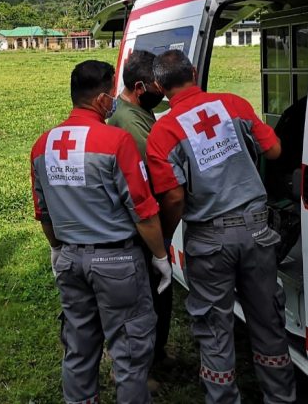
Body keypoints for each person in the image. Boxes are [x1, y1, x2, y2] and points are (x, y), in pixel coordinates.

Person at [145, 50, 295, 404]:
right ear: (194, 71)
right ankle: (281, 397)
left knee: (214, 330)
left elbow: (174, 198)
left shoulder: (163, 132)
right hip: (257, 231)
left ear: (159, 87)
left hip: (209, 239)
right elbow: (274, 151)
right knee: (268, 321)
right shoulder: (234, 104)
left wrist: (164, 238)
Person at [30, 60, 172, 404]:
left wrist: (56, 249)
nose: (114, 101)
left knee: (78, 346)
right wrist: (160, 256)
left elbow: (43, 213)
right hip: (117, 263)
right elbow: (143, 209)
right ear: (100, 99)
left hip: (69, 260)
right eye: (111, 94)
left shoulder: (42, 145)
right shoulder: (116, 141)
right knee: (130, 353)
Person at [107, 50, 174, 373]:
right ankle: (147, 364)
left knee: (158, 295)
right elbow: (159, 176)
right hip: (142, 226)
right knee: (151, 297)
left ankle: (155, 356)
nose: (162, 93)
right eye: (158, 87)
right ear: (138, 87)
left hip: (145, 223)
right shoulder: (130, 123)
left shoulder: (136, 110)